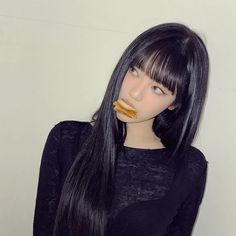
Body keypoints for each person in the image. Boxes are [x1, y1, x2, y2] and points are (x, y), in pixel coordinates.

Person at [33, 22, 209, 236]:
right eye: (135, 71)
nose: (135, 93)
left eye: (157, 88)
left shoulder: (188, 166)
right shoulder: (66, 139)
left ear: (175, 103)